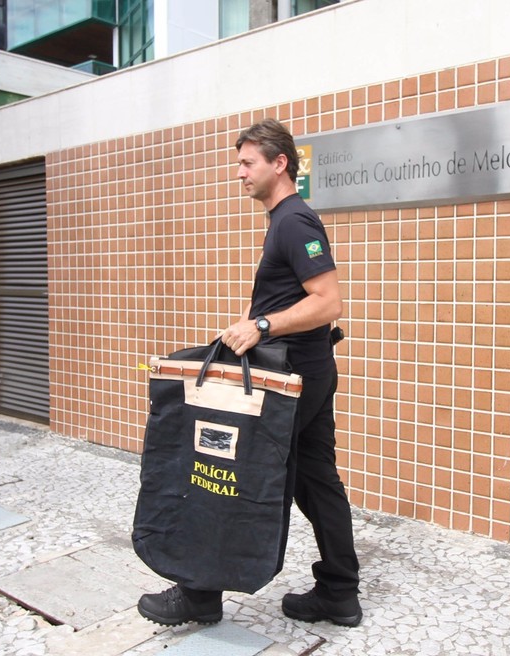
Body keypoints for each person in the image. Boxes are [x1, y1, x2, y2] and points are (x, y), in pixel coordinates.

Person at [137, 119, 362, 627]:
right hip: (308, 369)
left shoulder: (294, 222)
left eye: (246, 163)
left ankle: (198, 593)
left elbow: (329, 303)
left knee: (232, 473)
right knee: (316, 481)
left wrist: (262, 323)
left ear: (279, 163)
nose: (238, 172)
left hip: (291, 377)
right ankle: (339, 593)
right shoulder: (284, 221)